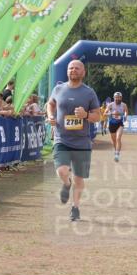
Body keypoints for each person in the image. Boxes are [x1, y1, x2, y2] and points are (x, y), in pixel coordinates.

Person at [47, 60, 101, 222]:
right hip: (61, 138)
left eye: (77, 68)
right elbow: (50, 104)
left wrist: (85, 115)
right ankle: (66, 183)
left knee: (79, 178)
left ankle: (75, 207)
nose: (73, 70)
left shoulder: (89, 93)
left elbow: (97, 116)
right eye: (71, 68)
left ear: (83, 72)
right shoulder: (58, 89)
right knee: (62, 171)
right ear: (67, 71)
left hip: (82, 142)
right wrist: (50, 115)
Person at [107, 92, 128, 162]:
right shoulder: (110, 105)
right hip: (112, 124)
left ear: (121, 98)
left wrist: (125, 116)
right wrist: (110, 113)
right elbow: (104, 113)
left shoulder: (124, 105)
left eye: (119, 97)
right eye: (116, 97)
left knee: (118, 138)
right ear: (114, 98)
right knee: (114, 141)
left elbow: (126, 112)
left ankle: (117, 155)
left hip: (120, 123)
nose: (117, 98)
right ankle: (116, 151)